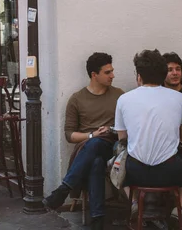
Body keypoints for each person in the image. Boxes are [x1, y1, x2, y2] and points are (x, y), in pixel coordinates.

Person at [115, 49, 182, 230]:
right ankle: (181, 207)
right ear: (162, 75)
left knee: (117, 153)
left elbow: (123, 141)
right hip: (171, 172)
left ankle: (135, 202)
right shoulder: (180, 98)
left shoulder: (123, 99)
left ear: (139, 76)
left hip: (135, 172)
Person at [43, 52, 124, 230]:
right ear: (94, 75)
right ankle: (97, 219)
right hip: (89, 147)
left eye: (112, 71)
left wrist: (109, 130)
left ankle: (64, 188)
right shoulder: (77, 99)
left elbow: (129, 125)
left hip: (114, 146)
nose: (113, 76)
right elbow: (69, 135)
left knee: (96, 146)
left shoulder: (119, 96)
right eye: (107, 72)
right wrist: (92, 135)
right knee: (94, 160)